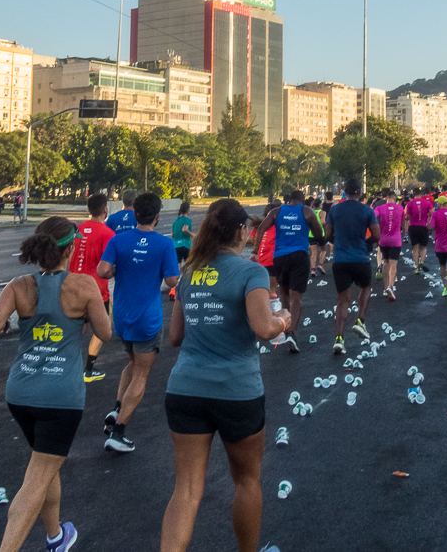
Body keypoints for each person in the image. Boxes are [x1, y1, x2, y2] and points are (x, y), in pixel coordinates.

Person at [160, 199, 289, 552]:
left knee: (185, 490)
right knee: (247, 481)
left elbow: (175, 337)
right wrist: (284, 320)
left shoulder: (190, 272)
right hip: (237, 391)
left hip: (185, 388)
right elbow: (264, 328)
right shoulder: (252, 272)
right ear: (242, 232)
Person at [0, 217, 112, 552]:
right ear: (70, 249)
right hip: (61, 398)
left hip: (21, 393)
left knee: (45, 466)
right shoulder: (83, 286)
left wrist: (22, 315)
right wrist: (83, 314)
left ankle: (56, 537)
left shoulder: (20, 285)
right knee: (37, 478)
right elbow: (106, 333)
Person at [97, 192, 180, 453]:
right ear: (157, 216)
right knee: (141, 374)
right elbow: (172, 281)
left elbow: (102, 271)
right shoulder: (164, 244)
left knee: (132, 363)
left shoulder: (118, 239)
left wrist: (117, 268)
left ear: (134, 214)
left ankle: (116, 409)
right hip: (147, 318)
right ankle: (119, 432)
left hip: (122, 315)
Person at [250, 190, 323, 353]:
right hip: (299, 255)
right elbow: (318, 231)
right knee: (296, 296)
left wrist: (255, 251)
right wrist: (321, 240)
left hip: (280, 257)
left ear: (288, 199)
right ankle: (292, 333)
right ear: (302, 200)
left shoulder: (276, 212)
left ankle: (285, 325)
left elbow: (261, 229)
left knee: (284, 292)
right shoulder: (306, 211)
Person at [326, 178, 379, 355]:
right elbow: (377, 235)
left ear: (345, 191)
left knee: (342, 300)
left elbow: (328, 235)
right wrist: (365, 242)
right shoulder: (367, 210)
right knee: (365, 287)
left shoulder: (334, 209)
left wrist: (339, 242)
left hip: (340, 259)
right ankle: (360, 321)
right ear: (359, 192)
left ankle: (339, 339)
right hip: (360, 257)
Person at [72, 193, 115, 382]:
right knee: (102, 330)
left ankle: (67, 364)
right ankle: (88, 370)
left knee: (76, 328)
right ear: (105, 209)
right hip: (96, 289)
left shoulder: (78, 230)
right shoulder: (107, 234)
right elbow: (108, 265)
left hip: (73, 287)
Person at [374, 189, 405, 300]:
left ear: (386, 198)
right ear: (395, 199)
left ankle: (385, 287)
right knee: (393, 264)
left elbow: (372, 218)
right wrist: (405, 232)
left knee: (385, 262)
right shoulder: (400, 208)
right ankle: (391, 287)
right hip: (395, 240)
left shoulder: (379, 208)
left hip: (383, 239)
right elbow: (403, 223)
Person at [405, 190, 434, 275]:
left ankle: (417, 267)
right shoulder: (427, 203)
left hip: (413, 227)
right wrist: (430, 222)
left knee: (415, 248)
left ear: (413, 195)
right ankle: (422, 261)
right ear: (421, 194)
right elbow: (432, 214)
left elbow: (407, 217)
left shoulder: (410, 204)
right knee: (423, 247)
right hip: (423, 227)